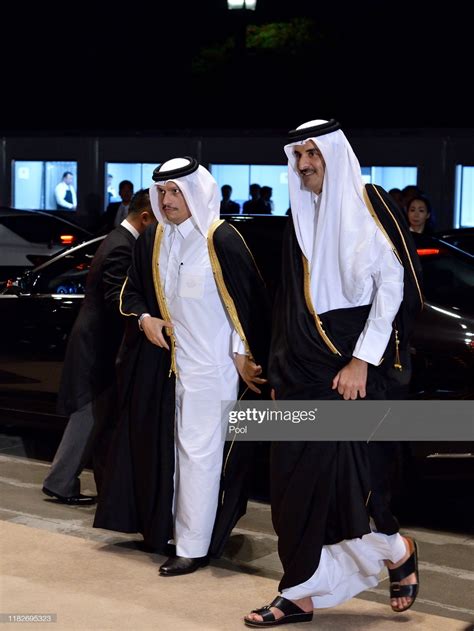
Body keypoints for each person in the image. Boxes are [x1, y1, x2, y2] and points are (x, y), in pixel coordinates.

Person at [244, 119, 424, 627]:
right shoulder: (301, 216)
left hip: (349, 368)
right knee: (292, 481)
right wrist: (280, 371)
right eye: (298, 156)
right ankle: (312, 584)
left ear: (334, 156)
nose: (303, 165)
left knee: (348, 481)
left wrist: (362, 360)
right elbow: (288, 306)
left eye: (312, 155)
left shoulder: (369, 203)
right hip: (301, 369)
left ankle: (387, 551)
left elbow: (392, 287)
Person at [94, 157, 270, 576]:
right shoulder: (154, 238)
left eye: (176, 191)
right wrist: (144, 319)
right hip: (166, 369)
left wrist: (243, 353)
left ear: (196, 192)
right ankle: (172, 532)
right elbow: (132, 290)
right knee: (170, 453)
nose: (167, 199)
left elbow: (250, 305)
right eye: (162, 192)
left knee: (199, 456)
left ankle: (193, 546)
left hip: (212, 370)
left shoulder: (220, 239)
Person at [42, 190, 156, 505]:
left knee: (97, 416)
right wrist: (146, 317)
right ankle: (60, 482)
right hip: (97, 344)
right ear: (145, 217)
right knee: (89, 413)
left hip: (96, 342)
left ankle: (90, 485)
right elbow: (116, 299)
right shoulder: (123, 246)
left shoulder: (117, 239)